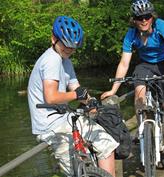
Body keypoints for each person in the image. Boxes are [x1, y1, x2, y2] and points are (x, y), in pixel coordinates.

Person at [28, 16, 119, 177]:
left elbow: (76, 88)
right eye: (65, 45)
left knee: (107, 145)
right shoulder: (51, 60)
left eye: (73, 47)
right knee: (75, 173)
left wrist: (91, 102)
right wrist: (76, 95)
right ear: (53, 38)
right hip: (50, 126)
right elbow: (50, 97)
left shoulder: (65, 60)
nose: (69, 50)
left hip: (65, 117)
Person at [101, 0, 164, 157]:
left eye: (147, 17)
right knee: (139, 98)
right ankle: (143, 131)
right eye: (139, 17)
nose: (144, 20)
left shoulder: (161, 26)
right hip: (145, 65)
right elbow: (124, 63)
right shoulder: (131, 34)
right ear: (134, 20)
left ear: (152, 17)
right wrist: (114, 89)